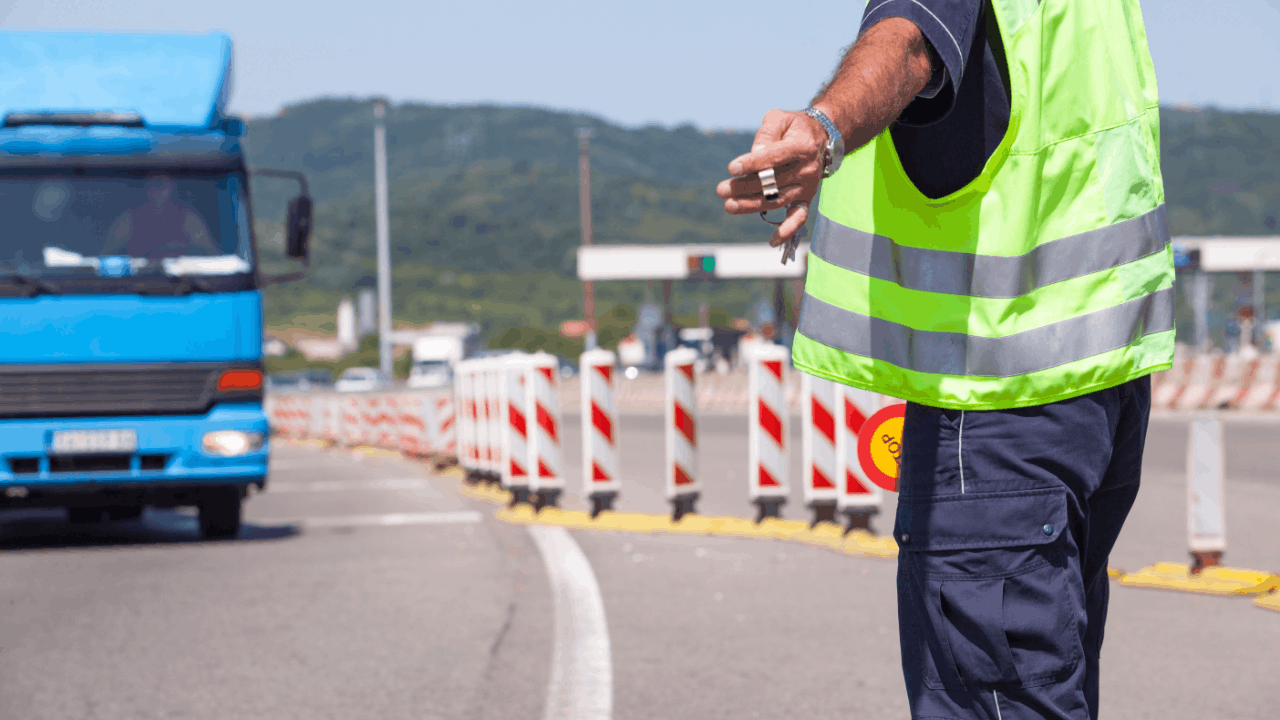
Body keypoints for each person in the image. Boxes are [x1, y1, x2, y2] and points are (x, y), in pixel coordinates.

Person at [718, 2, 1171, 719]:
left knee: (999, 699)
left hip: (991, 401)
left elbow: (908, 39)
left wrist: (826, 129)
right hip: (1097, 389)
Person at [103, 175, 220, 259]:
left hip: (180, 283)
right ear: (146, 188)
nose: (157, 191)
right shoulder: (129, 218)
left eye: (162, 186)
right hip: (139, 282)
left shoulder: (187, 218)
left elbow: (212, 255)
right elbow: (104, 255)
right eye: (153, 185)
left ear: (171, 187)